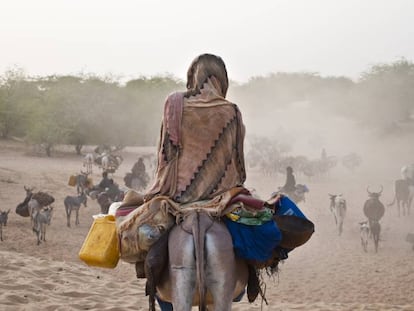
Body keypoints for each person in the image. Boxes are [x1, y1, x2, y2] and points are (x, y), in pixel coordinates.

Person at [141, 53, 253, 309]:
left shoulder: (174, 103)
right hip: (220, 201)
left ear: (193, 76)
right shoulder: (232, 111)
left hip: (178, 200)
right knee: (253, 236)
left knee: (148, 243)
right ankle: (246, 283)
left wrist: (163, 188)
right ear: (221, 80)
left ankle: (156, 288)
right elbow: (238, 164)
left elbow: (165, 156)